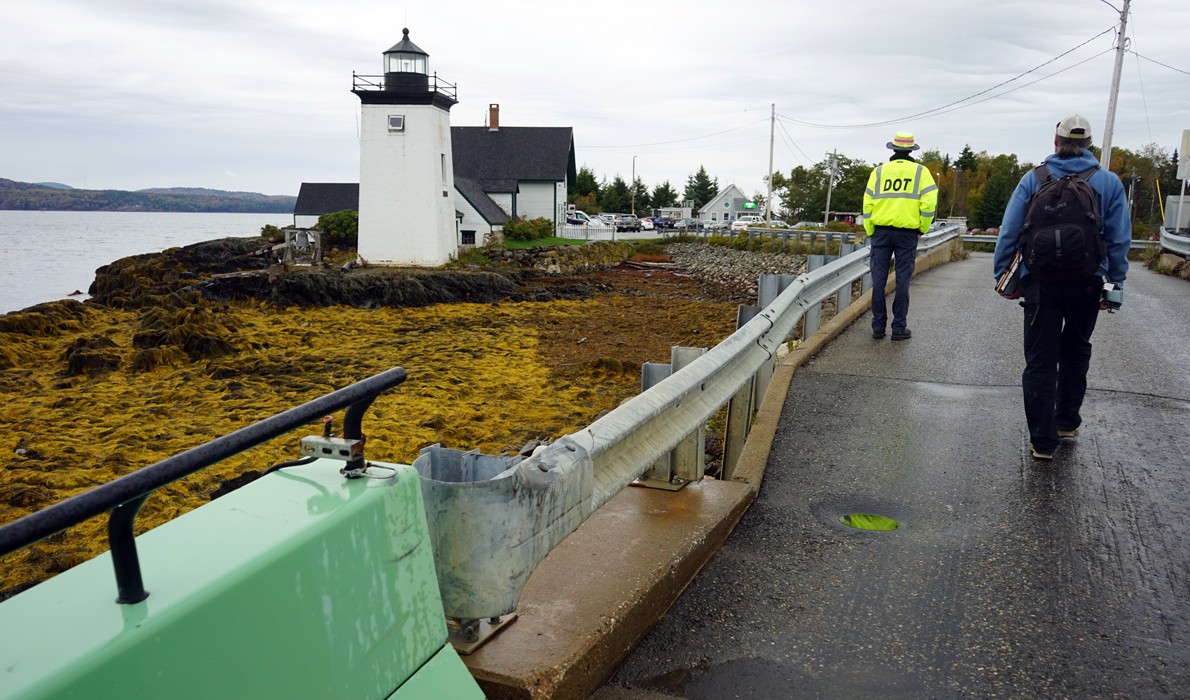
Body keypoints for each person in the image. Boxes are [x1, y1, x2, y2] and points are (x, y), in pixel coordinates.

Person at [992, 115, 1130, 460]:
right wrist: (1114, 284)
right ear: (1089, 146)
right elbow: (1118, 240)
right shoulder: (1108, 183)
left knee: (1040, 360)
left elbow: (1010, 232)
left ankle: (1042, 441)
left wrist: (1004, 278)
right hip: (1086, 281)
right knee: (1076, 348)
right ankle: (1067, 421)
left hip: (1041, 282)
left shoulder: (1034, 178)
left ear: (1055, 143)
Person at [863, 131, 938, 340]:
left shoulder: (878, 172)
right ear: (911, 150)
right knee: (903, 279)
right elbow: (929, 205)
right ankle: (898, 328)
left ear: (893, 149)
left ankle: (878, 327)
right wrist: (921, 228)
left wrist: (871, 230)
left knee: (878, 279)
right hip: (907, 234)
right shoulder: (921, 173)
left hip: (880, 231)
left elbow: (867, 204)